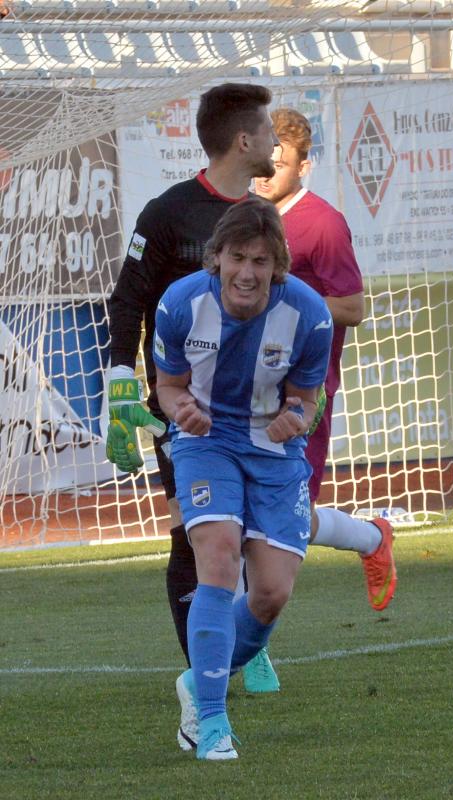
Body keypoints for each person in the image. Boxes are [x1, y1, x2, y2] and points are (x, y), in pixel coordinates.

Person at [106, 83, 281, 691]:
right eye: (267, 130)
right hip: (182, 411)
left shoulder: (264, 220)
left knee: (256, 536)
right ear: (243, 140)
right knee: (195, 531)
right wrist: (121, 378)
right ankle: (205, 672)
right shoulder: (167, 213)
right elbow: (128, 299)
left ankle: (239, 632)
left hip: (253, 411)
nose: (276, 140)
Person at [153, 196, 333, 760]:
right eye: (237, 258)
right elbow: (168, 386)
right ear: (217, 258)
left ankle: (198, 681)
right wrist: (181, 410)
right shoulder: (180, 304)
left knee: (272, 593)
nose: (247, 273)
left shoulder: (310, 315)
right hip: (206, 443)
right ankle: (212, 724)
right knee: (219, 556)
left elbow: (309, 399)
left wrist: (295, 417)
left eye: (260, 261)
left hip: (274, 452)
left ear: (277, 264)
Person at [254, 109, 397, 606]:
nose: (267, 173)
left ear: (303, 166)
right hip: (240, 389)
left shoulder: (323, 223)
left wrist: (283, 309)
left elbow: (353, 307)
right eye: (263, 161)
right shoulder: (243, 220)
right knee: (235, 516)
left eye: (281, 163)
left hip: (302, 393)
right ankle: (247, 649)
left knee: (286, 516)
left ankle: (373, 538)